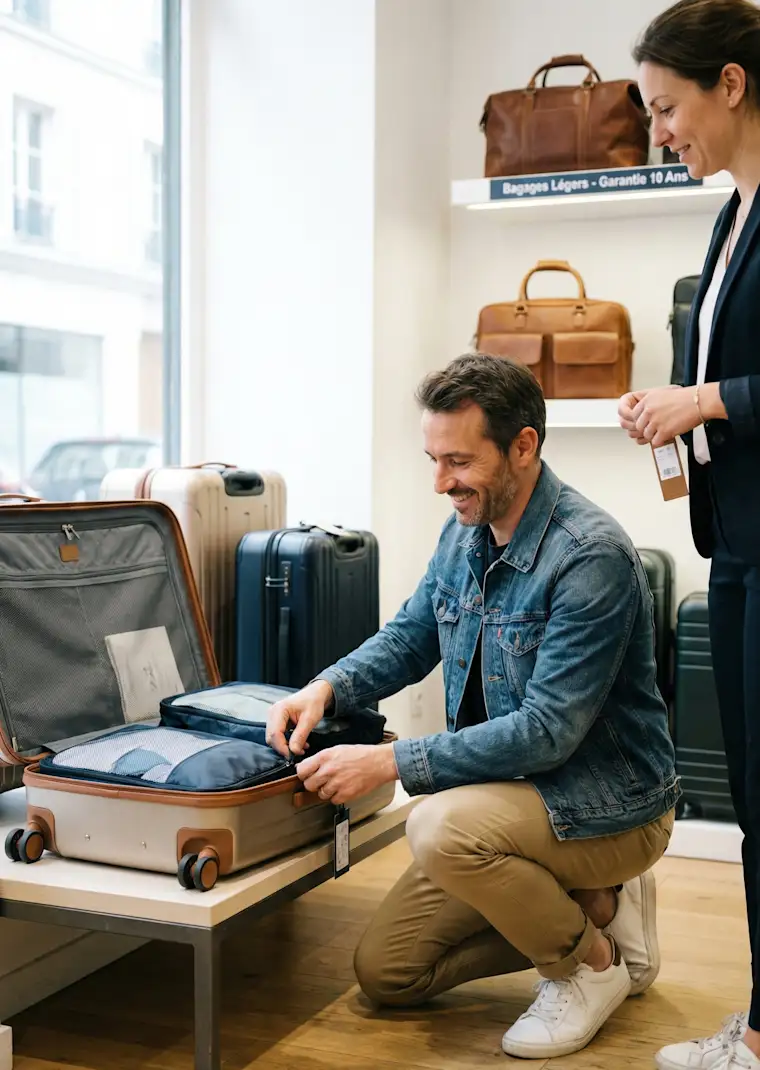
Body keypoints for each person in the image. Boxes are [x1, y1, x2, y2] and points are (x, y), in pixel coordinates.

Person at [267, 352, 679, 1061]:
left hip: (608, 805)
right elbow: (409, 636)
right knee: (388, 973)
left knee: (438, 826)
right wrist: (325, 687)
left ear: (524, 446)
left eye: (457, 460)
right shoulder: (464, 533)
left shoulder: (591, 555)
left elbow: (548, 732)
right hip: (508, 803)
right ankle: (597, 908)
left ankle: (588, 965)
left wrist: (391, 761)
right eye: (433, 458)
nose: (439, 483)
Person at [619, 1, 760, 1066]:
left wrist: (706, 401)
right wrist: (676, 399)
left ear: (730, 84)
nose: (660, 131)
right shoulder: (730, 214)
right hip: (741, 542)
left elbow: (738, 386)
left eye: (667, 107)